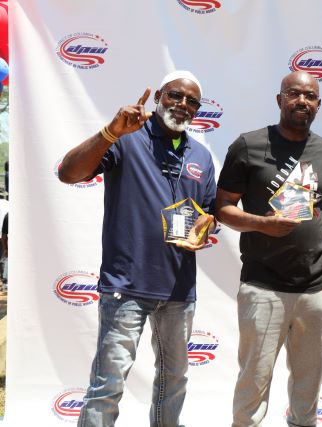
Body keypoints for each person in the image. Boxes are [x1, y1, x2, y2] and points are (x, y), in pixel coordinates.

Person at [58, 70, 217, 427]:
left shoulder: (202, 157)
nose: (183, 105)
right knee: (108, 386)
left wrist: (205, 229)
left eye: (192, 101)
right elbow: (68, 173)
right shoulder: (126, 138)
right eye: (176, 95)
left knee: (172, 383)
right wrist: (110, 132)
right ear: (159, 95)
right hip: (125, 288)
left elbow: (207, 214)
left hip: (179, 291)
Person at [214, 70, 322, 427]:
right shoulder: (248, 146)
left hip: (316, 289)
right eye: (294, 94)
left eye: (309, 96)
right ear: (280, 100)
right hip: (263, 287)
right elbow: (222, 208)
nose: (301, 101)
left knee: (307, 390)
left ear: (318, 104)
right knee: (253, 385)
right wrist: (263, 223)